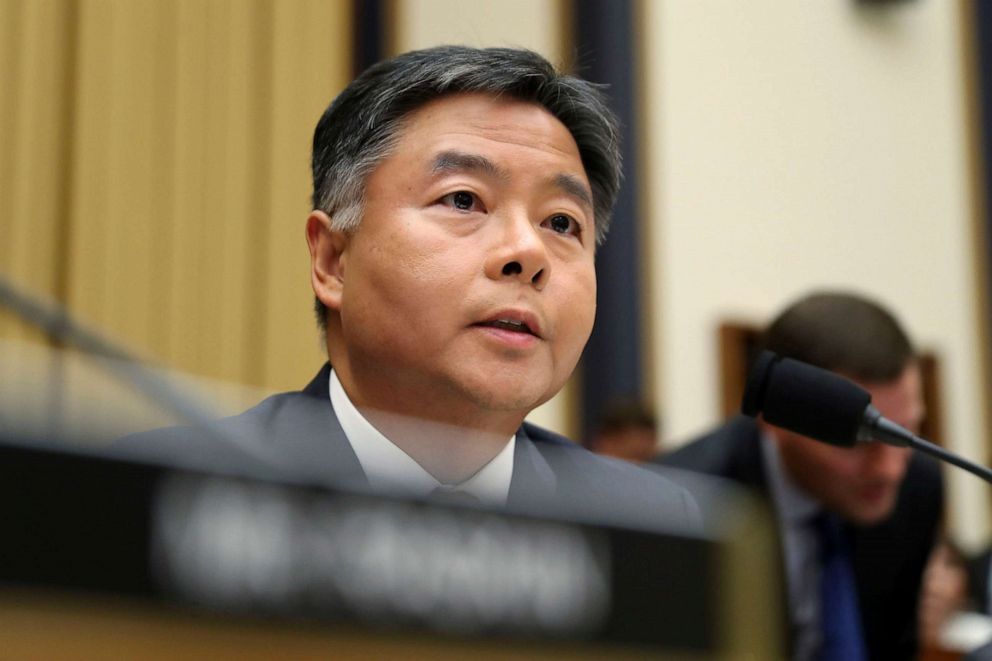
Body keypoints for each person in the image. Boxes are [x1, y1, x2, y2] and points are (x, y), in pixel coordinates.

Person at [127, 46, 697, 530]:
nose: (528, 254)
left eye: (561, 223)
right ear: (333, 260)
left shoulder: (649, 526)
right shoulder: (170, 497)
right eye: (463, 200)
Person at [655, 291, 944, 660]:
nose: (889, 470)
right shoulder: (682, 507)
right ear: (772, 418)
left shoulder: (918, 487)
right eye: (858, 442)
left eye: (905, 432)